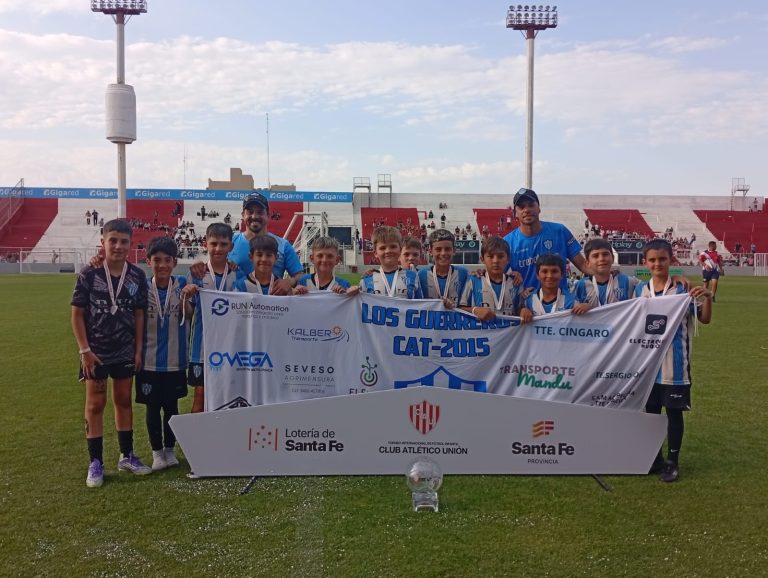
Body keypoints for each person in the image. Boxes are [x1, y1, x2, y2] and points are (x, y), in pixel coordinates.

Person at [71, 219, 152, 488]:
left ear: (131, 244)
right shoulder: (89, 273)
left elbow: (140, 314)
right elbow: (77, 314)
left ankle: (126, 455)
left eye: (124, 241)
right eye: (113, 240)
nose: (118, 246)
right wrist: (84, 350)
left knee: (124, 401)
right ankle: (95, 462)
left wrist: (138, 349)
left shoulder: (137, 276)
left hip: (126, 350)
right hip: (96, 352)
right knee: (96, 403)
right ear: (103, 242)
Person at [634, 239, 713, 483]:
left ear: (671, 261)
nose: (658, 264)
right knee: (651, 414)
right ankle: (654, 459)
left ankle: (672, 461)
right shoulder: (639, 290)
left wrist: (708, 296)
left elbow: (704, 319)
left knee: (674, 414)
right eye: (653, 260)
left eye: (663, 259)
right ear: (645, 262)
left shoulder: (682, 290)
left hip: (674, 366)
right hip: (647, 366)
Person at [136, 237, 192, 471]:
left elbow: (189, 316)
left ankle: (170, 450)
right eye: (156, 260)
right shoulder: (142, 287)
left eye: (167, 260)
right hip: (148, 361)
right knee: (152, 407)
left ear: (174, 262)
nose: (162, 265)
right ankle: (157, 452)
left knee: (172, 407)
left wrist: (186, 299)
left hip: (175, 360)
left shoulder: (181, 283)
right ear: (148, 261)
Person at [186, 223, 243, 414]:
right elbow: (188, 314)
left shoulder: (238, 274)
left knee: (228, 396)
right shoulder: (196, 274)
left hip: (231, 348)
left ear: (231, 247)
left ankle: (221, 440)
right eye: (214, 244)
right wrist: (185, 296)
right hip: (202, 347)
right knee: (200, 396)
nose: (218, 249)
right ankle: (194, 442)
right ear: (206, 244)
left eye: (223, 244)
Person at [503, 188, 588, 292]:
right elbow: (497, 275)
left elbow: (583, 265)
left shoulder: (560, 231)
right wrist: (480, 274)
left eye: (531, 205)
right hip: (527, 305)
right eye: (521, 207)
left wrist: (609, 273)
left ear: (539, 208)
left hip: (560, 305)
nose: (526, 210)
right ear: (515, 213)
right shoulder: (507, 243)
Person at [217, 192, 303, 295]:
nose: (254, 216)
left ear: (268, 215)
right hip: (240, 306)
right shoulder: (230, 242)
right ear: (243, 215)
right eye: (250, 212)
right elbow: (214, 266)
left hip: (273, 306)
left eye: (260, 212)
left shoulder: (283, 245)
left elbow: (300, 275)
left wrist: (289, 282)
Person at [459, 236, 526, 322]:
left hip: (509, 334)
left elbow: (520, 308)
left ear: (508, 259)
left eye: (500, 256)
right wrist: (474, 310)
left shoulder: (516, 283)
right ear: (482, 259)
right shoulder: (473, 280)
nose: (495, 261)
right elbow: (460, 309)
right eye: (490, 256)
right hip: (482, 334)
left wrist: (524, 311)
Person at [359, 226, 422, 298]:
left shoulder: (413, 276)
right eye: (382, 248)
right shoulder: (366, 279)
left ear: (400, 249)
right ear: (375, 253)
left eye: (393, 246)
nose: (388, 251)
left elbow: (422, 305)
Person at [574, 239, 639, 307]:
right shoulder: (580, 286)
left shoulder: (629, 282)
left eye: (605, 254)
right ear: (588, 262)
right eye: (595, 256)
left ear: (613, 258)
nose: (601, 259)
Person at [418, 229, 469, 309]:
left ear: (454, 251)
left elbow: (468, 304)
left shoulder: (464, 274)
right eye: (438, 249)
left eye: (447, 249)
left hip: (454, 321)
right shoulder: (421, 275)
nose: (443, 253)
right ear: (430, 251)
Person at [519, 253, 579, 319]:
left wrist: (588, 309)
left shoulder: (571, 302)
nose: (549, 276)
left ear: (561, 275)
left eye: (554, 271)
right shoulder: (529, 301)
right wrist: (522, 311)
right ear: (537, 275)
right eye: (545, 271)